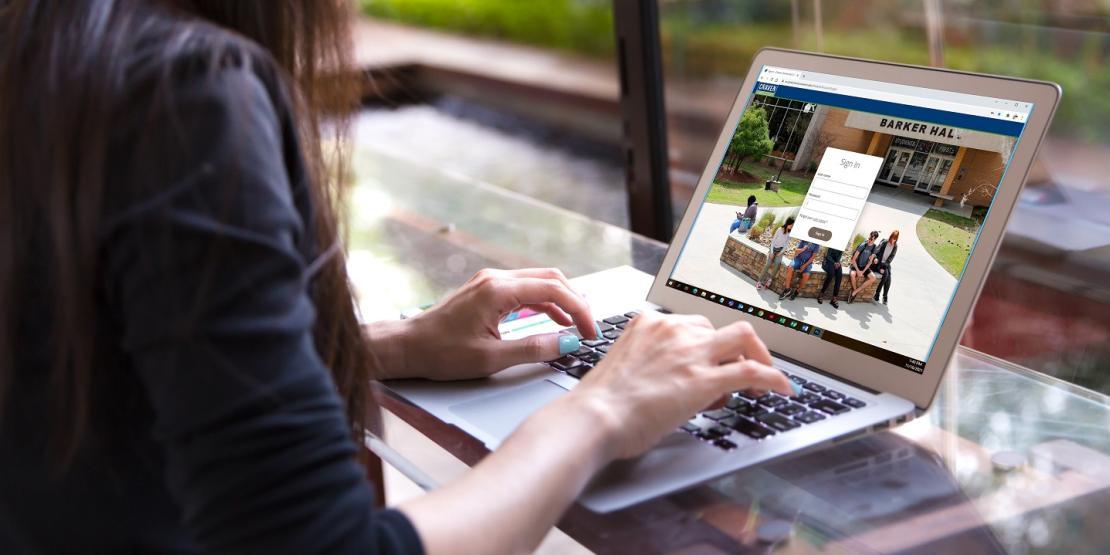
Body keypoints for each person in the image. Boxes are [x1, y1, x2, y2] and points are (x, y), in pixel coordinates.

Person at [0, 2, 797, 553]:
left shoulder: (49, 43)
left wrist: (389, 343)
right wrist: (601, 409)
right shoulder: (183, 92)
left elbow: (99, 356)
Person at [756, 217, 794, 290]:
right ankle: (759, 282)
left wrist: (781, 252)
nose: (792, 226)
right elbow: (773, 241)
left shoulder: (790, 232)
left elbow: (786, 244)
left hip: (780, 251)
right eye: (791, 225)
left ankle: (770, 280)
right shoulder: (779, 229)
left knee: (777, 264)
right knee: (768, 264)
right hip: (773, 249)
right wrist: (772, 252)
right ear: (788, 223)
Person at [848, 231, 881, 303]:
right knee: (852, 274)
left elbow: (869, 262)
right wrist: (858, 270)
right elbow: (853, 259)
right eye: (869, 238)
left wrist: (862, 271)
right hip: (856, 264)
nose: (870, 240)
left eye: (872, 239)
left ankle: (855, 291)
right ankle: (854, 291)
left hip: (864, 267)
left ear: (875, 239)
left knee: (873, 278)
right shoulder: (863, 245)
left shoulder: (874, 247)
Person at [872, 230, 899, 305]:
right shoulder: (884, 242)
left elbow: (890, 258)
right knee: (887, 275)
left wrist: (883, 267)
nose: (893, 240)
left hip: (885, 264)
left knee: (888, 277)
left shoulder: (895, 246)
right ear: (890, 236)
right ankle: (880, 295)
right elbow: (877, 250)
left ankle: (881, 295)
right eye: (892, 238)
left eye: (895, 239)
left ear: (897, 239)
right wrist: (875, 258)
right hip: (878, 263)